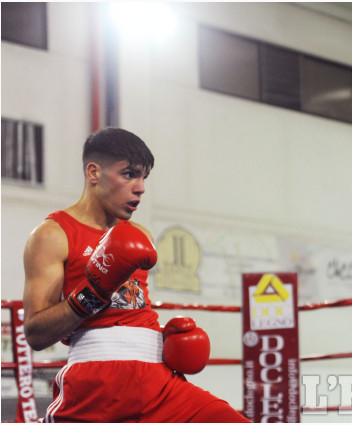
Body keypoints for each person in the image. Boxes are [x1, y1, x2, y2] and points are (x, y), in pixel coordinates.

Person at [22, 127, 250, 422]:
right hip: (96, 384)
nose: (140, 187)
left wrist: (164, 341)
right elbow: (36, 333)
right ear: (94, 173)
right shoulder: (53, 234)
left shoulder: (140, 235)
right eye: (129, 174)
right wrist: (93, 294)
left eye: (144, 177)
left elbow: (132, 308)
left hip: (159, 382)